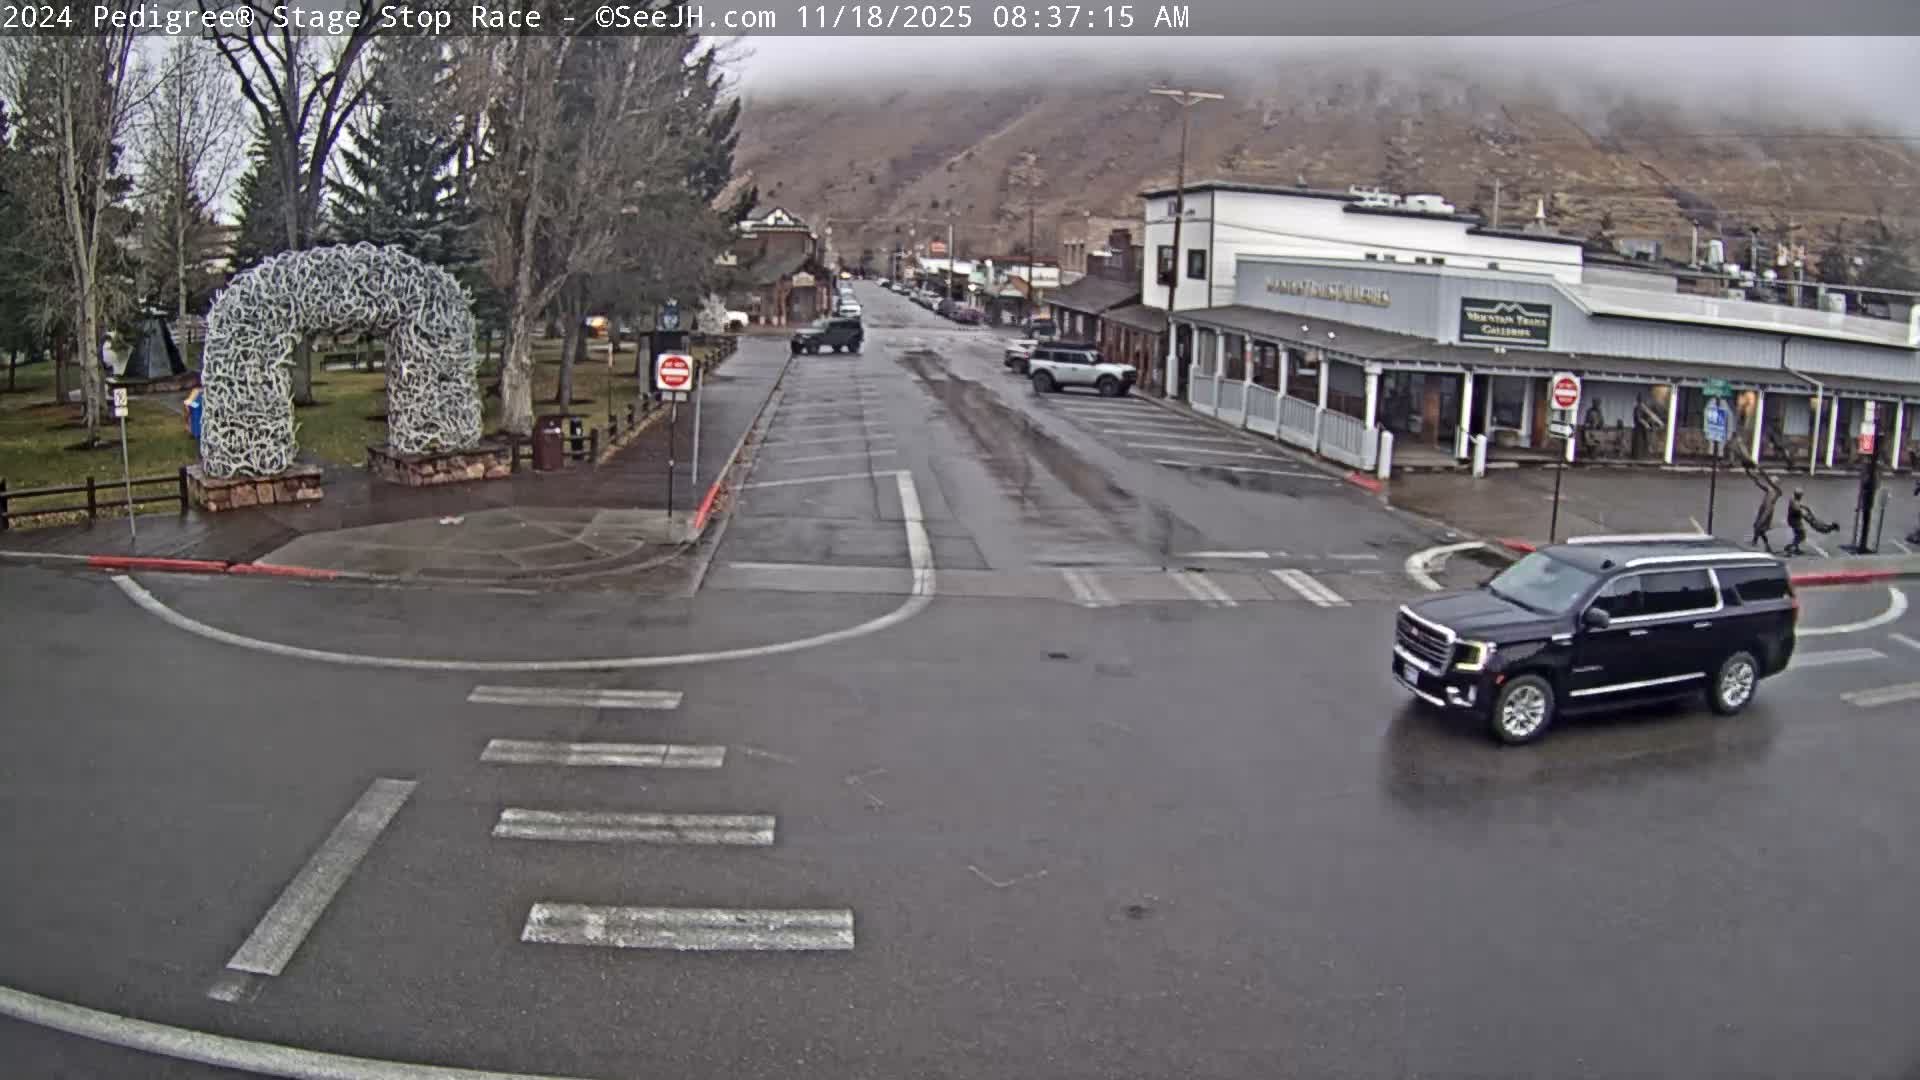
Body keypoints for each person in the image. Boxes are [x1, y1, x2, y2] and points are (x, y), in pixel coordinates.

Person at [1784, 487, 1839, 557]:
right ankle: (1791, 548)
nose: (1801, 497)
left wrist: (1806, 508)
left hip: (1794, 520)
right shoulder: (1796, 505)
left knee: (1798, 534)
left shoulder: (1793, 498)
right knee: (1802, 535)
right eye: (1801, 496)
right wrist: (1812, 520)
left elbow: (1800, 505)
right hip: (1794, 521)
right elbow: (1804, 515)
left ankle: (1795, 548)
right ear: (1799, 496)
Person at [1744, 461, 1781, 552]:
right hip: (1763, 508)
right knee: (1757, 526)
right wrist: (1751, 476)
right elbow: (1759, 484)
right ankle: (1756, 541)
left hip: (1767, 511)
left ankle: (1762, 543)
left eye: (1772, 481)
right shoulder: (1770, 489)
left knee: (1759, 527)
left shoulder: (1778, 492)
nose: (1770, 482)